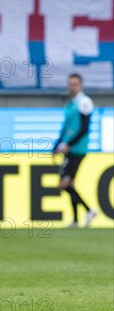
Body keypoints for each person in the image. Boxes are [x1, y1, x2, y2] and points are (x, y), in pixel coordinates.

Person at [53, 74, 97, 228]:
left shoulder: (84, 102)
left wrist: (69, 144)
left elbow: (85, 129)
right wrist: (56, 145)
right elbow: (65, 128)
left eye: (75, 84)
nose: (72, 87)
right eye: (70, 84)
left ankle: (89, 210)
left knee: (64, 183)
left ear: (81, 85)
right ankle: (76, 220)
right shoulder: (70, 104)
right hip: (68, 149)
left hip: (78, 149)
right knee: (69, 183)